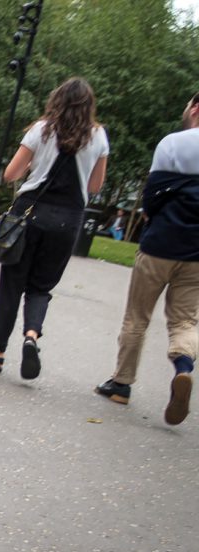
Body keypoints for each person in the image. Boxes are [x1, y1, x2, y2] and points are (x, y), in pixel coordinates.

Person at [0, 77, 109, 379]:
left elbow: (11, 174)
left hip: (30, 214)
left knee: (11, 285)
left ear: (57, 100)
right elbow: (96, 186)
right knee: (41, 287)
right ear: (89, 106)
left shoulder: (41, 129)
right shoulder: (99, 136)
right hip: (68, 221)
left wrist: (35, 166)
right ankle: (31, 336)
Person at [95, 92, 199, 425]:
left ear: (195, 109)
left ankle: (121, 385)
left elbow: (152, 197)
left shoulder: (173, 143)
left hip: (159, 245)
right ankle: (183, 367)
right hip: (197, 254)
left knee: (137, 317)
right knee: (185, 321)